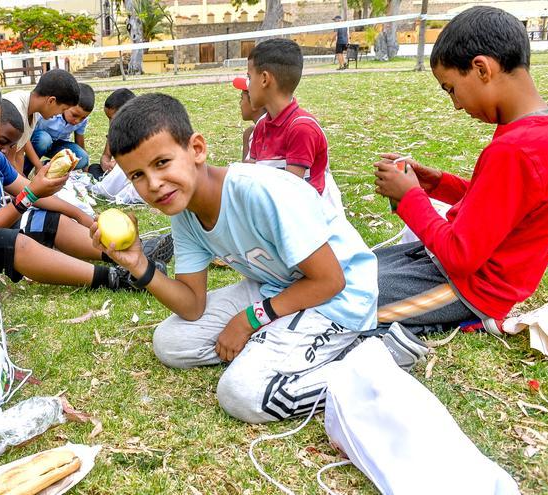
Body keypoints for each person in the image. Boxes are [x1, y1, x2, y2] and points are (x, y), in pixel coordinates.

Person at [93, 94, 426, 423]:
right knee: (171, 343)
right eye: (137, 175)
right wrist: (138, 263)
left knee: (241, 392)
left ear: (196, 149)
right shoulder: (184, 215)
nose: (153, 184)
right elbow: (192, 306)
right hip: (276, 286)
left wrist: (250, 320)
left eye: (161, 163)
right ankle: (283, 343)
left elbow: (331, 280)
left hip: (338, 296)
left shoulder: (258, 192)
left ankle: (375, 361)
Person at [373, 6, 548, 336]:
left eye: (451, 89)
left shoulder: (516, 149)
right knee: (351, 270)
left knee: (345, 298)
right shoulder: (538, 130)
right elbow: (500, 207)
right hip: (452, 265)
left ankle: (461, 320)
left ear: (481, 69)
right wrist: (438, 184)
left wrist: (410, 198)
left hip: (471, 289)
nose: (457, 104)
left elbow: (459, 256)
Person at [0, 71, 172, 292]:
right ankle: (114, 278)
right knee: (9, 241)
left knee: (46, 218)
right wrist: (29, 195)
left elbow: (27, 190)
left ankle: (122, 255)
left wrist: (81, 216)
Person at [246, 38, 344, 215]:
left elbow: (290, 195)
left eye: (249, 77)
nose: (247, 85)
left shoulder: (302, 128)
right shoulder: (261, 126)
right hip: (273, 216)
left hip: (306, 223)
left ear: (264, 79)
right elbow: (248, 179)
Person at [3, 69, 79, 175]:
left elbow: (19, 151)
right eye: (62, 110)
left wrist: (24, 182)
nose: (59, 115)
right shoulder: (15, 110)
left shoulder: (33, 110)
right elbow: (7, 162)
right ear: (51, 101)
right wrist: (26, 187)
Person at [29, 83, 95, 172]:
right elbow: (27, 136)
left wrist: (86, 170)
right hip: (38, 142)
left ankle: (45, 167)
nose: (77, 121)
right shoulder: (50, 111)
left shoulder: (81, 120)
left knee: (82, 158)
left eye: (83, 118)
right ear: (67, 105)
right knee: (44, 140)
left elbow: (80, 143)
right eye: (74, 115)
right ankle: (26, 170)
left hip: (58, 145)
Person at [88, 88, 136, 180]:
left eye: (113, 118)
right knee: (93, 168)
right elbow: (106, 156)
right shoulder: (114, 132)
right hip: (118, 173)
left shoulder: (142, 131)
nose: (110, 123)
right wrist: (106, 164)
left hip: (135, 173)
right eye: (108, 119)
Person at [231, 76, 267, 161]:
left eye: (242, 98)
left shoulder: (260, 134)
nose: (240, 103)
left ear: (254, 102)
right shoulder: (249, 133)